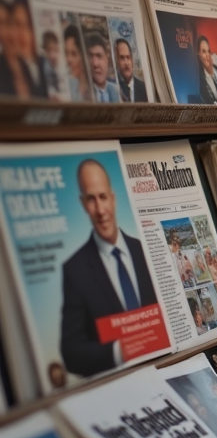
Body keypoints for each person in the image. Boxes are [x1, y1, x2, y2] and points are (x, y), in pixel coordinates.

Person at [60, 158, 158, 377]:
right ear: (83, 204)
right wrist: (119, 350)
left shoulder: (147, 250)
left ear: (113, 199)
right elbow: (71, 352)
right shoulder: (74, 270)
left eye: (103, 197)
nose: (100, 209)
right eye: (91, 199)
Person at [85, 34, 120, 102]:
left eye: (99, 56)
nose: (95, 63)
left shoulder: (117, 92)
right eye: (90, 56)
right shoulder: (82, 94)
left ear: (107, 59)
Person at [62, 24, 92, 102]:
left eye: (74, 54)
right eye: (66, 53)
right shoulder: (67, 87)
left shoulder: (95, 89)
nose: (68, 60)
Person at [114, 38, 147, 102]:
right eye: (122, 58)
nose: (126, 62)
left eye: (128, 57)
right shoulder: (114, 89)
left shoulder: (144, 89)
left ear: (132, 60)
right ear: (116, 61)